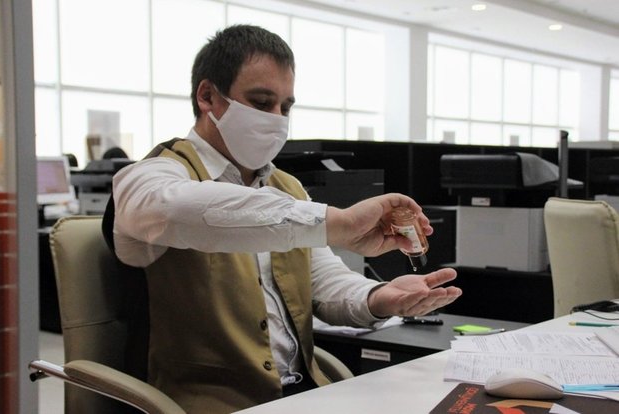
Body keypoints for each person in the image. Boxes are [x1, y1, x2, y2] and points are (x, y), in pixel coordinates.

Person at [109, 24, 461, 414]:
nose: (277, 119)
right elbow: (178, 210)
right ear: (208, 96)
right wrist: (336, 223)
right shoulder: (150, 176)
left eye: (286, 107)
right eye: (261, 103)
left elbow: (322, 282)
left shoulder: (286, 187)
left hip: (304, 394)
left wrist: (379, 298)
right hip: (209, 403)